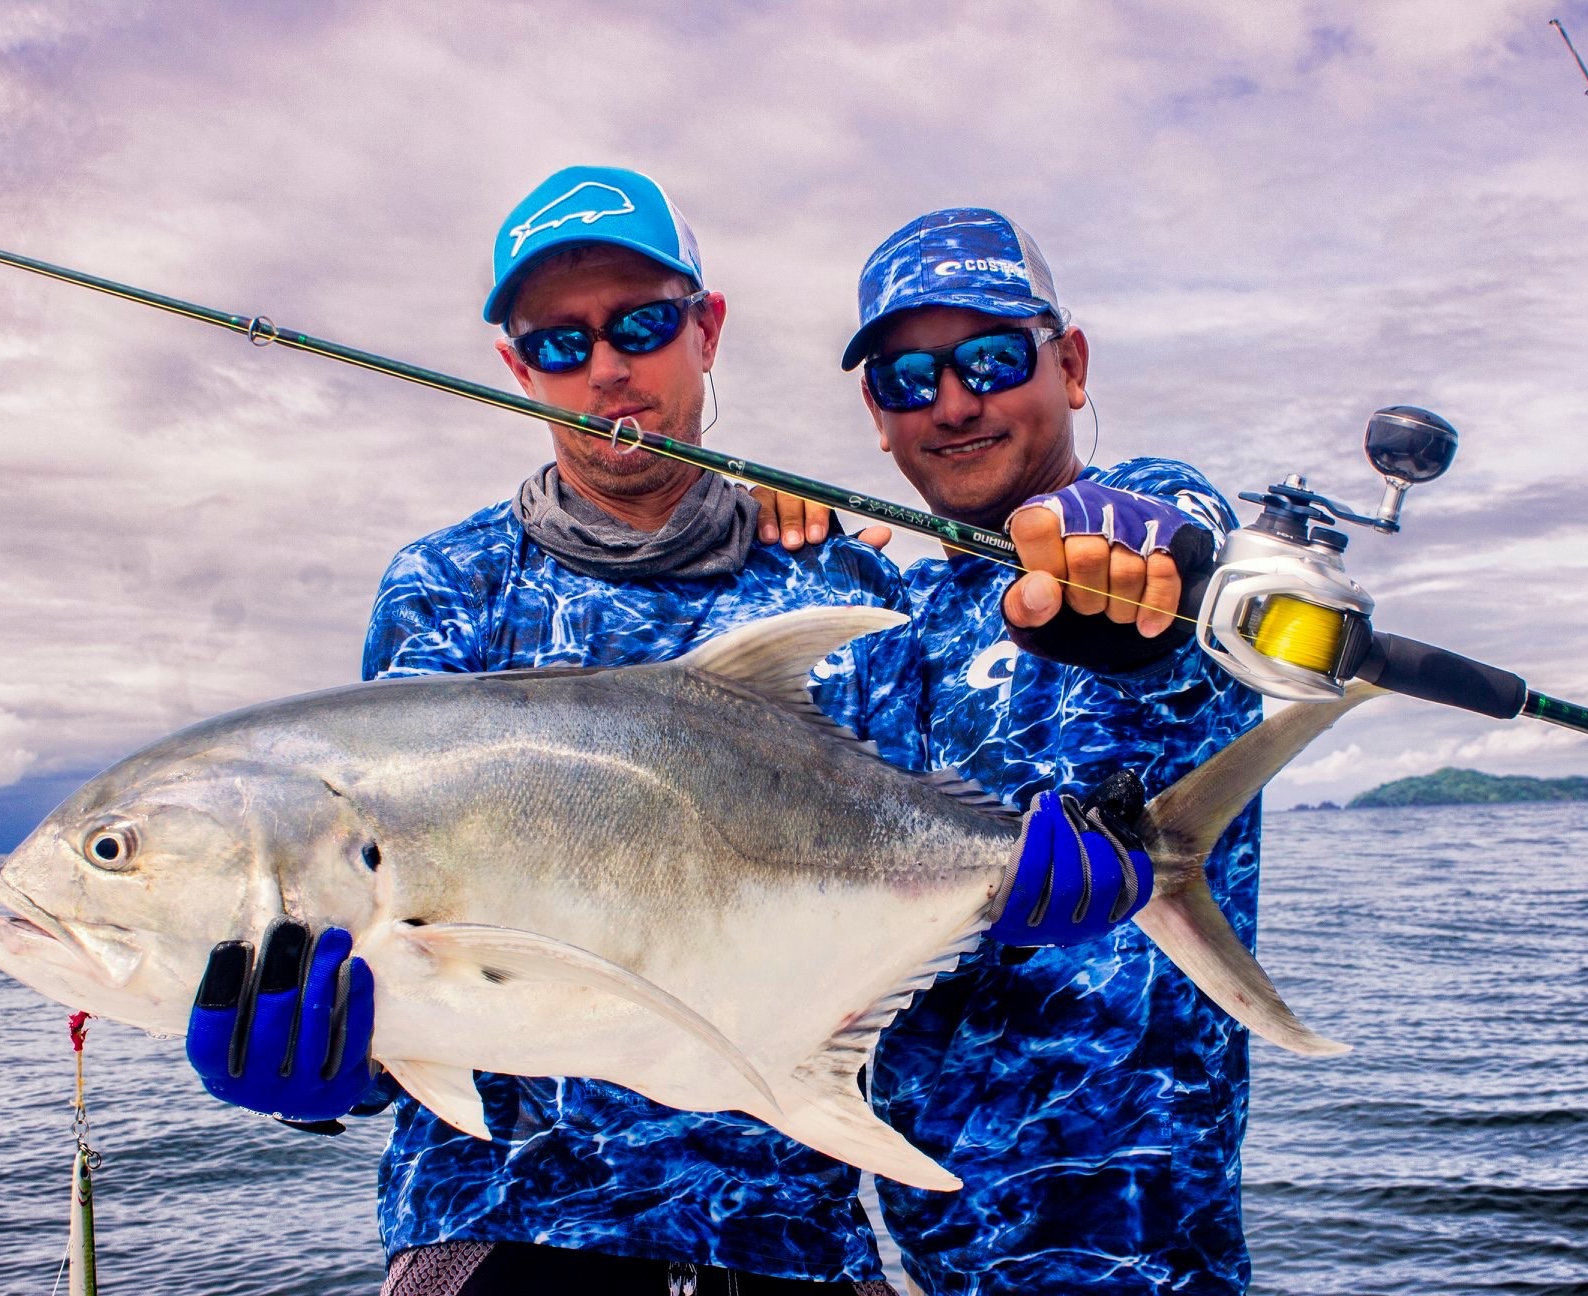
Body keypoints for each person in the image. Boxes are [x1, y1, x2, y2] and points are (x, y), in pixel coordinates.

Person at [187, 165, 906, 1295]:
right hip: (497, 1228)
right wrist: (327, 1062)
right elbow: (406, 913)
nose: (607, 366)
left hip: (789, 1225)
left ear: (706, 330)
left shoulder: (832, 576)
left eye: (641, 324)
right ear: (517, 369)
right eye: (560, 344)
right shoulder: (447, 586)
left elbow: (898, 881)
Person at [809, 208, 1264, 1295]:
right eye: (909, 378)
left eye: (993, 358)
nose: (954, 403)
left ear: (1071, 365)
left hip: (1152, 1265)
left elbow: (1177, 527)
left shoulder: (1151, 518)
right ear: (878, 417)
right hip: (925, 1260)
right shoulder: (887, 639)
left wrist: (1130, 581)